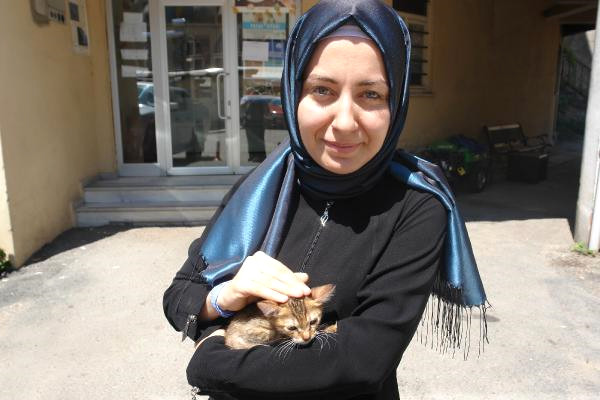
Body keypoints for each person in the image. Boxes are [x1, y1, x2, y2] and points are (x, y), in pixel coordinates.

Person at [163, 1, 487, 399]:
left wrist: (210, 359)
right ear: (293, 93)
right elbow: (180, 296)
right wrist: (223, 298)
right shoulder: (258, 189)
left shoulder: (417, 205)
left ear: (397, 102)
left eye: (371, 93)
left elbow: (363, 360)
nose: (345, 122)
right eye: (322, 90)